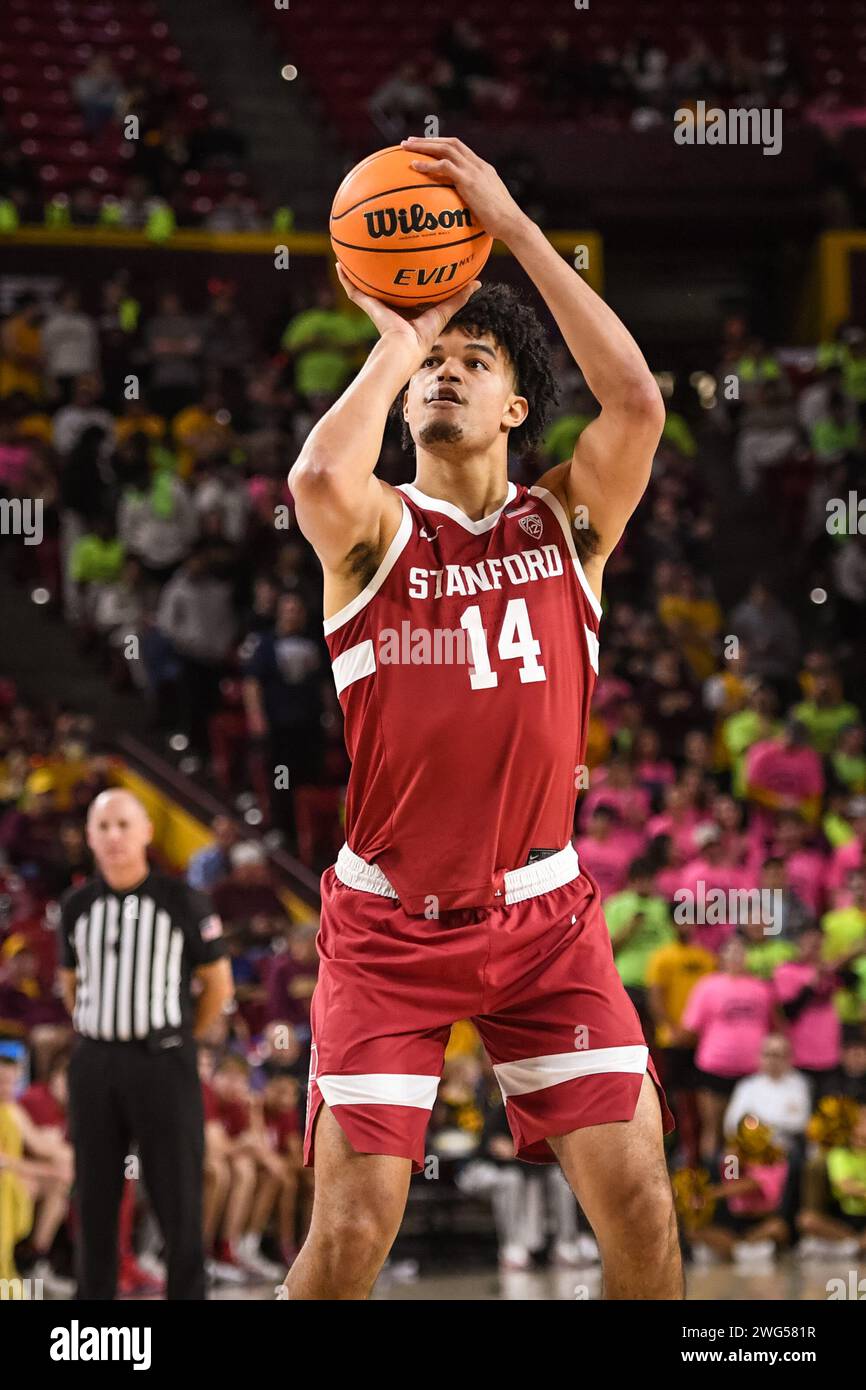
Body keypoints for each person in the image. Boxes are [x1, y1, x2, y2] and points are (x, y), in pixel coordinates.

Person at [283, 136, 679, 1300]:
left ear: (516, 403)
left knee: (645, 1215)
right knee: (349, 1240)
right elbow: (312, 480)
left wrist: (508, 227)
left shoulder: (566, 524)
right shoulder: (368, 532)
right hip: (389, 928)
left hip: (544, 920)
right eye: (428, 366)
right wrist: (398, 332)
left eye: (470, 360)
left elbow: (638, 400)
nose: (442, 374)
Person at [57, 788, 234, 1299]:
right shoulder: (76, 905)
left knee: (178, 1194)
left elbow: (218, 985)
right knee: (93, 1195)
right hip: (95, 1062)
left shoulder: (183, 900)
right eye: (103, 827)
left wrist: (181, 1036)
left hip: (163, 1060)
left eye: (123, 825)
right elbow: (72, 986)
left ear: (146, 832)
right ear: (89, 837)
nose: (113, 836)